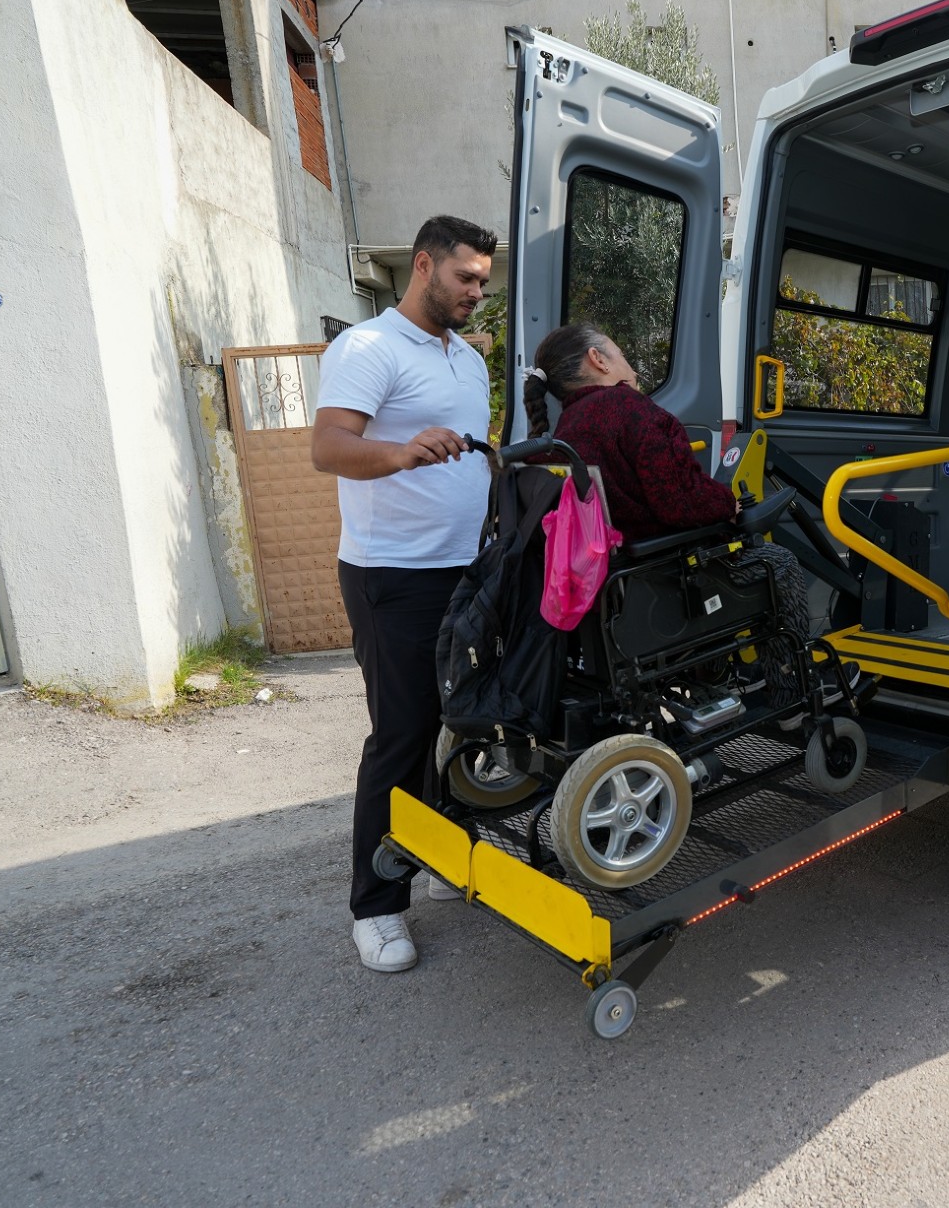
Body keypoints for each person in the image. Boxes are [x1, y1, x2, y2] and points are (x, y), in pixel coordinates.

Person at [312, 214, 497, 974]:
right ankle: (377, 908)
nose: (476, 293)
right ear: (423, 266)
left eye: (484, 281)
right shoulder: (367, 348)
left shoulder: (467, 359)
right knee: (401, 735)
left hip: (466, 568)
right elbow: (328, 447)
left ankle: (438, 854)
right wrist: (398, 452)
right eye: (465, 278)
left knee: (459, 725)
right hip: (393, 575)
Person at [523, 321, 811, 708]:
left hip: (608, 581)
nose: (633, 368)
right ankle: (791, 697)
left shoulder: (564, 429)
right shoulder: (632, 411)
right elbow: (677, 500)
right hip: (665, 575)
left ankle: (716, 677)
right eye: (621, 354)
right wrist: (728, 504)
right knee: (780, 564)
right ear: (598, 360)